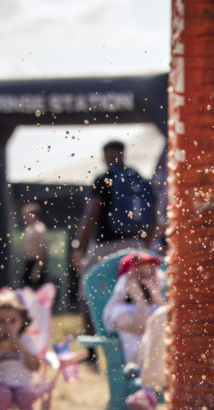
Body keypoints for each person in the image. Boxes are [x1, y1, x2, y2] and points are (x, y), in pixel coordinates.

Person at [72, 140, 156, 367]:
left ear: (106, 155)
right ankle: (142, 345)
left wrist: (79, 247)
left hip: (106, 245)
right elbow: (154, 218)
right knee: (140, 292)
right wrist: (143, 248)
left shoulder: (104, 179)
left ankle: (91, 351)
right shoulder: (139, 179)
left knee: (87, 289)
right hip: (136, 245)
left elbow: (92, 214)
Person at [102, 252, 165, 365]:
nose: (147, 280)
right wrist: (139, 299)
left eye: (151, 273)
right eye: (141, 275)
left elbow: (178, 326)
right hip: (139, 365)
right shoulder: (118, 309)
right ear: (126, 282)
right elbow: (142, 327)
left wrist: (157, 298)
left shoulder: (160, 305)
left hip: (165, 360)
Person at [20, 203, 49, 290]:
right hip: (28, 261)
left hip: (36, 262)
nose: (24, 217)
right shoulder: (29, 228)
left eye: (26, 214)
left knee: (34, 289)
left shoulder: (39, 229)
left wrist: (37, 268)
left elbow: (43, 250)